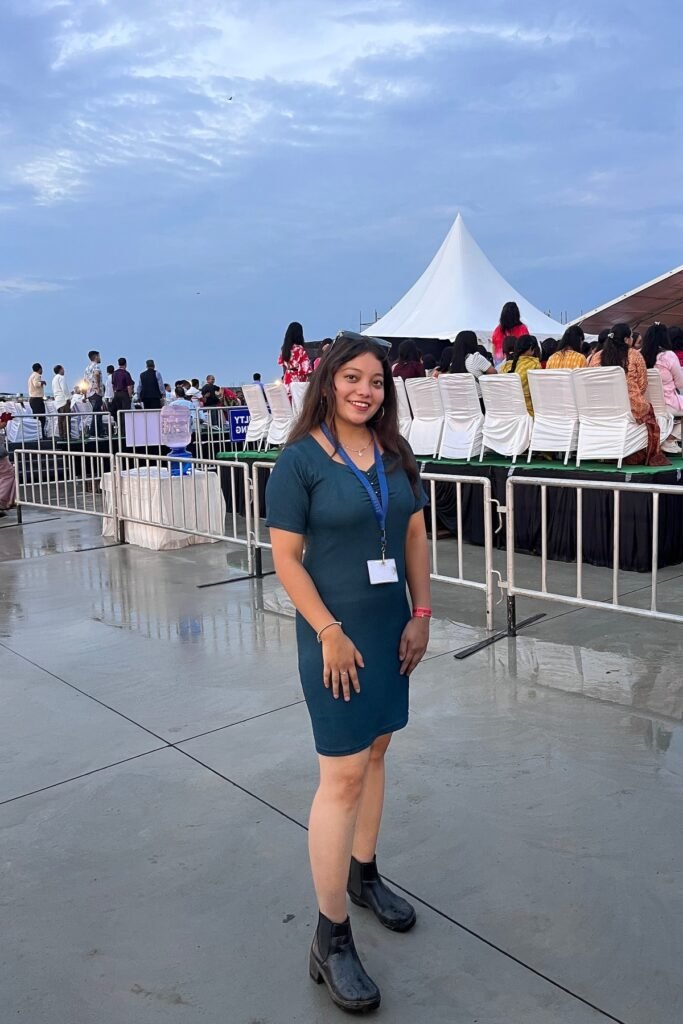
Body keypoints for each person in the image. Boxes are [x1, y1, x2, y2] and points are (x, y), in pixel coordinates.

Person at [265, 333, 431, 1014]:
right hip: (333, 639)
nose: (365, 391)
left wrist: (420, 612)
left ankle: (364, 875)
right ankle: (328, 936)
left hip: (390, 628)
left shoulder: (393, 456)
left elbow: (415, 535)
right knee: (341, 776)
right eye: (352, 378)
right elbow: (287, 559)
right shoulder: (298, 462)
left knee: (379, 749)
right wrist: (326, 631)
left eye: (376, 382)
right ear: (327, 381)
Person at [588, 323, 669, 466]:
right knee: (649, 413)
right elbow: (642, 385)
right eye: (631, 337)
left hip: (600, 406)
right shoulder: (634, 355)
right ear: (626, 340)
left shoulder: (596, 358)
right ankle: (635, 453)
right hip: (630, 406)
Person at [640, 322, 683, 453]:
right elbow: (680, 383)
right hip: (667, 403)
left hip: (647, 404)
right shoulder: (668, 356)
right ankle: (669, 439)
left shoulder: (639, 356)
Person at [500, 335, 541, 414]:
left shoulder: (506, 365)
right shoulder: (534, 364)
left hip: (508, 411)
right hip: (528, 412)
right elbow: (539, 392)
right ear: (531, 347)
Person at [279, 321, 313, 393]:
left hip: (287, 379)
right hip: (298, 382)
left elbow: (282, 363)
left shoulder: (284, 349)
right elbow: (307, 369)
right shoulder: (299, 349)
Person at [84, 350, 107, 435]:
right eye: (99, 356)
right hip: (96, 392)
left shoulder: (87, 368)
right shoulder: (96, 366)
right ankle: (95, 432)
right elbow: (97, 374)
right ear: (96, 357)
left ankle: (98, 431)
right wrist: (97, 386)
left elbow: (85, 381)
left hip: (89, 392)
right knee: (98, 412)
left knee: (95, 412)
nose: (100, 358)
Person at [28, 362, 47, 437]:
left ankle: (38, 434)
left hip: (33, 399)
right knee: (41, 418)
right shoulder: (37, 375)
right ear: (39, 369)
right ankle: (41, 435)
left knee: (37, 418)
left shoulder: (31, 376)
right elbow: (36, 384)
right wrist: (42, 382)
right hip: (37, 399)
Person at [51, 364, 71, 440]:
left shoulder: (54, 379)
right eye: (63, 369)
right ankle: (67, 436)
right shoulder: (61, 377)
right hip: (63, 400)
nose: (64, 370)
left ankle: (61, 435)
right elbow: (64, 389)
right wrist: (68, 398)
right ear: (60, 370)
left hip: (58, 401)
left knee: (60, 419)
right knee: (66, 419)